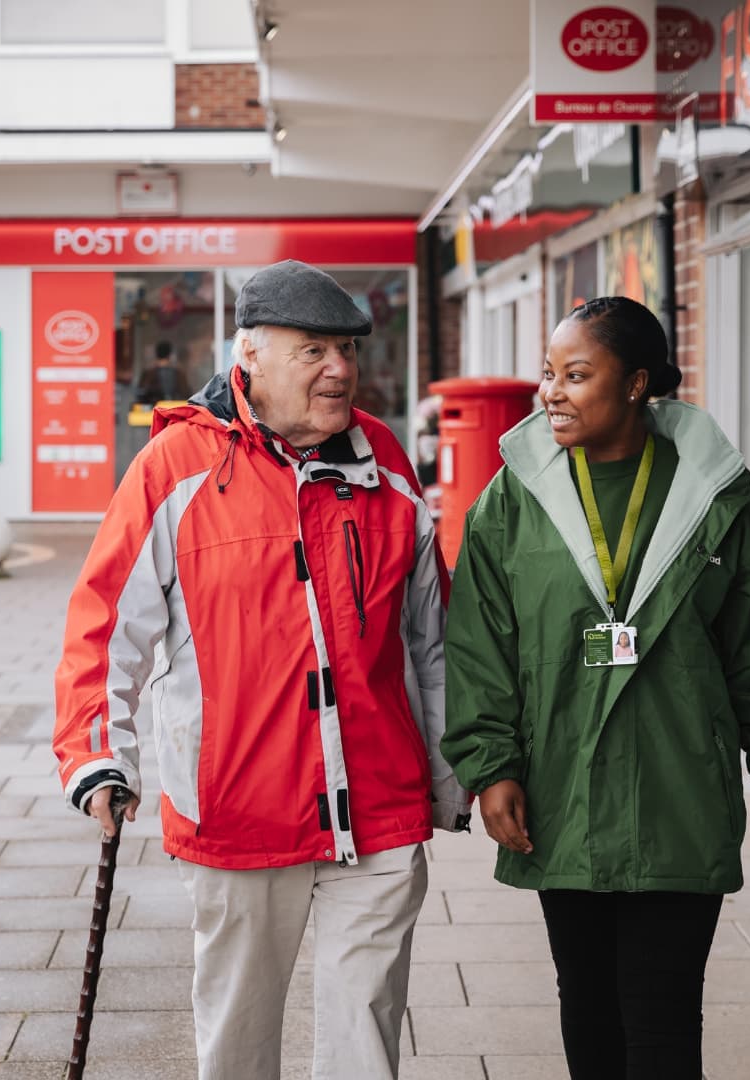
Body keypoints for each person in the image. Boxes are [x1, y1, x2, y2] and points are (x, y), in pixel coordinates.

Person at [54, 259, 471, 1080]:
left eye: (347, 349)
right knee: (239, 1039)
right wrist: (98, 753)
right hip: (240, 809)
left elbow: (432, 637)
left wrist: (459, 770)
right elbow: (104, 629)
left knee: (368, 1037)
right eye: (313, 349)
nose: (341, 369)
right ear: (250, 354)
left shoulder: (383, 458)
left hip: (380, 807)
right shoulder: (175, 467)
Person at [440, 296, 750, 1080]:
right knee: (585, 1000)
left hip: (679, 785)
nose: (552, 392)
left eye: (577, 375)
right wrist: (491, 767)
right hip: (560, 787)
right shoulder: (510, 504)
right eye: (549, 374)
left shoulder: (722, 505)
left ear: (638, 383)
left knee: (663, 1009)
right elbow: (480, 649)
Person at [135, 339, 192, 405]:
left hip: (152, 412)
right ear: (170, 355)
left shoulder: (148, 374)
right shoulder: (179, 374)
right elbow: (187, 394)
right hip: (175, 411)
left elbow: (141, 395)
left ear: (156, 354)